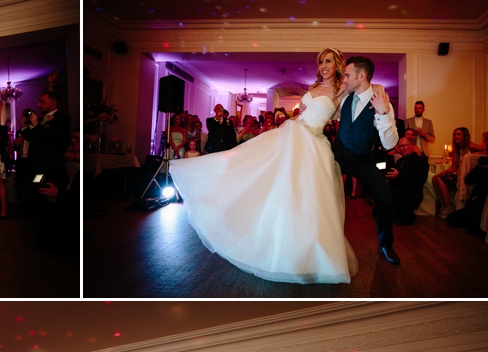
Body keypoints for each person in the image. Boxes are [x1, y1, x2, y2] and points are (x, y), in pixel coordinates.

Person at [168, 48, 358, 284]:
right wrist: (285, 127)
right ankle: (278, 246)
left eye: (328, 61)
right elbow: (302, 115)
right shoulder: (313, 88)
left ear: (338, 64)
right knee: (266, 177)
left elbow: (358, 97)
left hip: (314, 144)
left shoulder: (341, 90)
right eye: (320, 62)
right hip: (294, 134)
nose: (323, 66)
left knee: (309, 198)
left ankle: (314, 257)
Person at [333, 56, 400, 266]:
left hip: (362, 159)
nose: (344, 79)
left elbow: (389, 144)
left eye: (347, 75)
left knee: (386, 199)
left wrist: (384, 112)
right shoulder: (345, 98)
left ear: (361, 76)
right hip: (337, 156)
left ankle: (385, 245)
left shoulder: (382, 101)